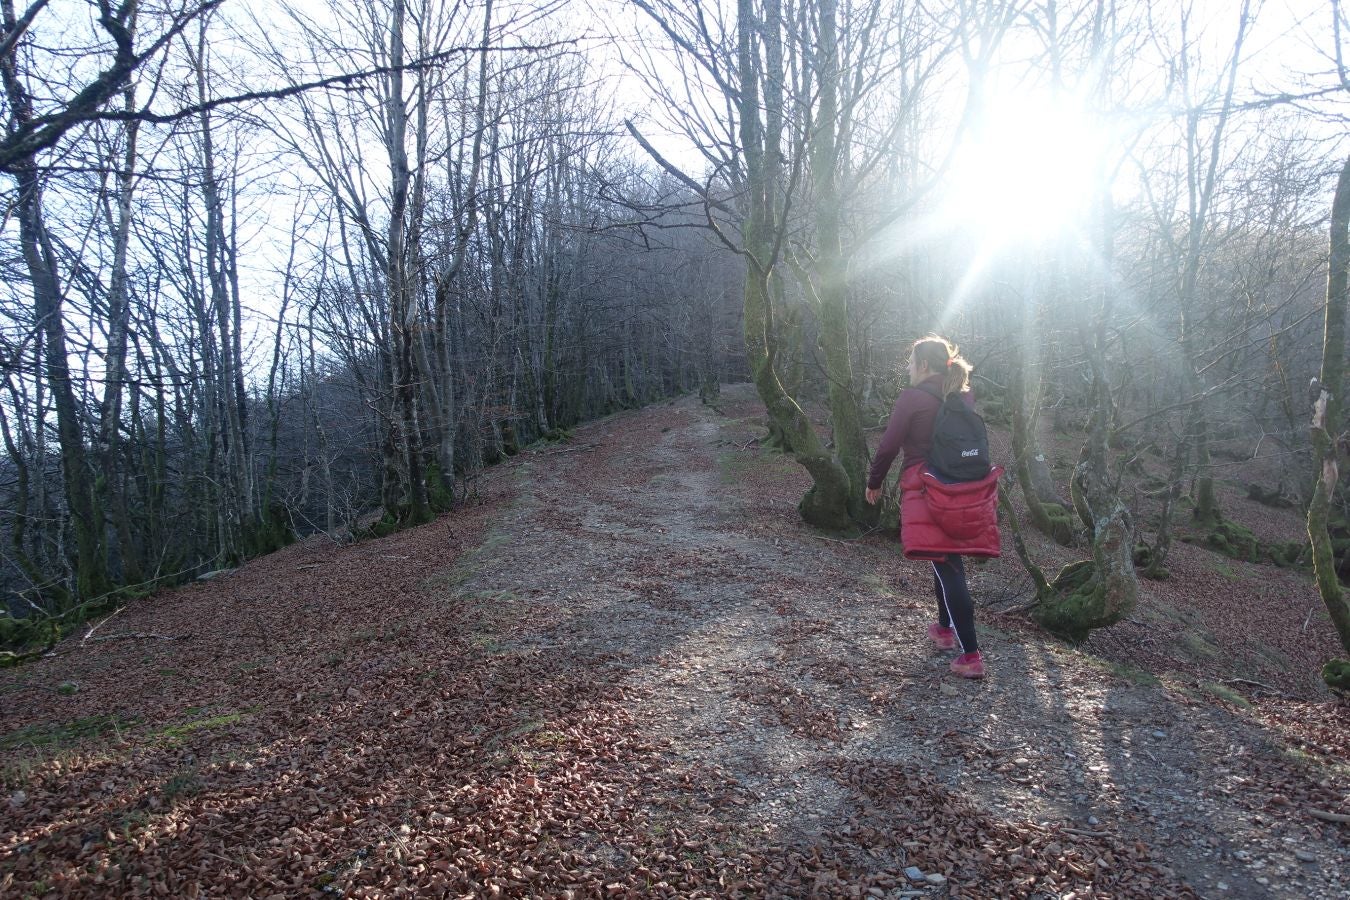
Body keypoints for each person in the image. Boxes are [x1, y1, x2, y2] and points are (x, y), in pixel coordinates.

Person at [865, 335, 985, 679]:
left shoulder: (912, 398)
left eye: (910, 362)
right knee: (943, 556)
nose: (907, 368)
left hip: (926, 488)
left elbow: (888, 446)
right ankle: (944, 629)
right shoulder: (962, 397)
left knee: (949, 566)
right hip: (962, 488)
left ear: (924, 365)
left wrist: (874, 481)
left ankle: (971, 655)